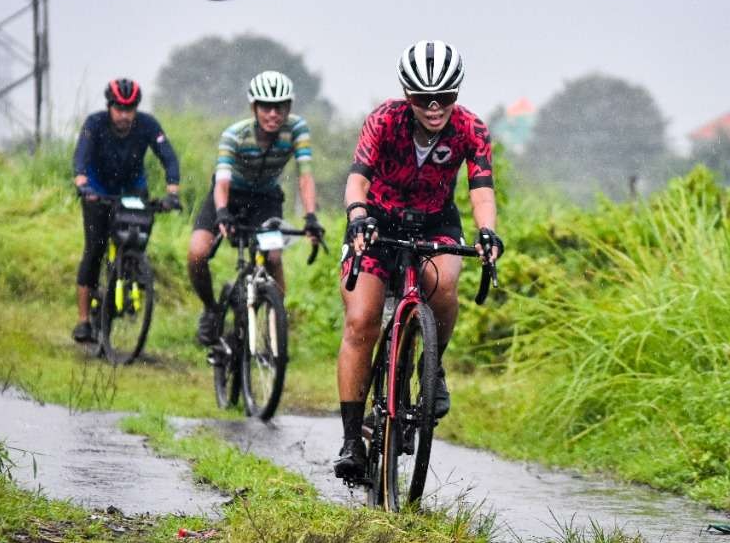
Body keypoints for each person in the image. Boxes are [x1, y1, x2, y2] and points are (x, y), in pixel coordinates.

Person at [333, 40, 503, 480]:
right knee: (362, 321)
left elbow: (480, 188)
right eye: (424, 99)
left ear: (456, 94)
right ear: (407, 96)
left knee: (444, 285)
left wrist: (487, 231)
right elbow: (357, 179)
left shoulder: (470, 128)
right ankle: (352, 440)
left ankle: (432, 367)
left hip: (435, 223)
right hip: (379, 221)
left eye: (445, 98)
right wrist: (357, 216)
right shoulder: (384, 120)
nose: (434, 108)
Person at [188, 70, 324, 345]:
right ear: (254, 107)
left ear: (289, 107)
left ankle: (275, 330)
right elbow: (222, 181)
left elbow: (305, 174)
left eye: (280, 107)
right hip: (228, 196)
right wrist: (223, 213)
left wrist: (311, 216)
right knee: (197, 253)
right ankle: (211, 309)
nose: (273, 114)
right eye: (266, 107)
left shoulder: (297, 129)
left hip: (265, 200)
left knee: (273, 259)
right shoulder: (234, 135)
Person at [71, 78, 181, 343]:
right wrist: (83, 185)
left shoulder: (147, 125)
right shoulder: (95, 124)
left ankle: (131, 275)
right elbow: (81, 157)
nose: (124, 115)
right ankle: (84, 320)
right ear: (110, 107)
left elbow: (168, 156)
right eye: (119, 109)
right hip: (97, 190)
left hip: (132, 189)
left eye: (130, 109)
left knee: (135, 244)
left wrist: (172, 192)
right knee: (94, 250)